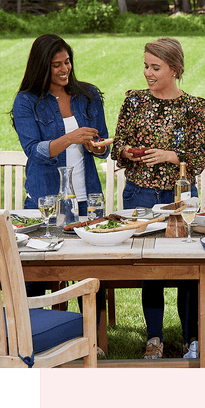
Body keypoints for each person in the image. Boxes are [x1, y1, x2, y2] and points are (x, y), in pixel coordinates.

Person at [111, 37, 205, 359]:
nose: (148, 73)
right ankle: (154, 338)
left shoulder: (194, 108)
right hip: (140, 193)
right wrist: (126, 150)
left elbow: (197, 159)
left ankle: (191, 338)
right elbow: (118, 145)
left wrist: (169, 155)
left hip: (180, 197)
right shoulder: (133, 101)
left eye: (155, 67)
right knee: (148, 267)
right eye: (145, 66)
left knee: (186, 269)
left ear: (175, 69)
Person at [10, 34, 110, 324]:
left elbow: (102, 146)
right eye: (56, 65)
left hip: (87, 198)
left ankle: (94, 336)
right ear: (42, 67)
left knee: (90, 271)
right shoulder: (27, 102)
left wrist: (97, 146)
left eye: (67, 62)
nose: (65, 69)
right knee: (38, 272)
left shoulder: (87, 95)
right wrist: (71, 138)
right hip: (48, 200)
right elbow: (34, 151)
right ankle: (32, 335)